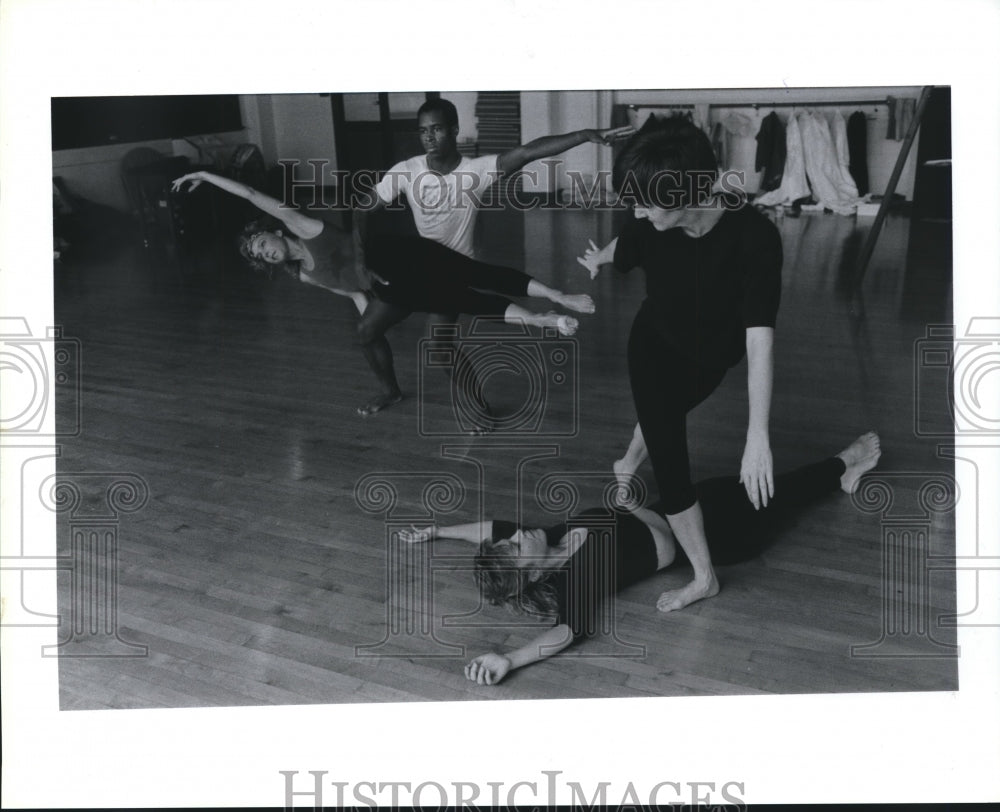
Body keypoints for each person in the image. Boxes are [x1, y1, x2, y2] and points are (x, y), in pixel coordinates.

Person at [402, 432, 881, 685]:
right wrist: (509, 658)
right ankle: (846, 461)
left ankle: (839, 478)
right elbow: (569, 631)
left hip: (687, 504)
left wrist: (438, 531)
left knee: (760, 484)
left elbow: (489, 529)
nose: (514, 535)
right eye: (511, 548)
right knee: (780, 494)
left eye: (508, 541)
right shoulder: (577, 580)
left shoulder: (543, 538)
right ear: (526, 573)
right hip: (713, 538)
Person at [575, 115, 783, 614]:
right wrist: (597, 260)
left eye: (645, 204)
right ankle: (704, 576)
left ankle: (627, 461)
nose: (638, 213)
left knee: (661, 416)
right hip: (652, 345)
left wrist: (758, 436)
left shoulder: (754, 239)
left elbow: (759, 343)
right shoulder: (650, 222)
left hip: (712, 357)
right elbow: (625, 244)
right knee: (670, 455)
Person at [170, 170, 595, 405]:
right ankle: (391, 391)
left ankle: (554, 301)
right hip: (387, 288)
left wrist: (206, 175)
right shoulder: (301, 273)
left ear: (275, 232)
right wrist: (376, 321)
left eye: (265, 244)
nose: (268, 254)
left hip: (397, 258)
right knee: (366, 331)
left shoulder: (299, 224)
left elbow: (248, 192)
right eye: (260, 257)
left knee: (472, 281)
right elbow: (356, 294)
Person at [352, 97, 633, 418]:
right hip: (415, 270)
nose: (429, 137)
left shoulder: (476, 170)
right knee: (366, 331)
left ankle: (480, 407)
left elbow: (529, 152)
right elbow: (363, 207)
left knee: (439, 348)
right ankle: (391, 391)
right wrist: (361, 262)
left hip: (454, 275)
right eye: (423, 131)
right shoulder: (407, 171)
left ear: (455, 130)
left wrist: (584, 134)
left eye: (437, 129)